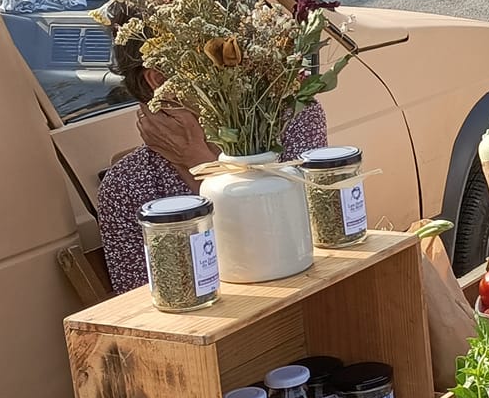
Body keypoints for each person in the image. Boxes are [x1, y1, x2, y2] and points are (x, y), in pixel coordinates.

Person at [96, 33, 329, 294]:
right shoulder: (127, 184)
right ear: (160, 79)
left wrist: (195, 159)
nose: (243, 64)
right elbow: (142, 301)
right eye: (219, 54)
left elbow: (307, 242)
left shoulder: (291, 119)